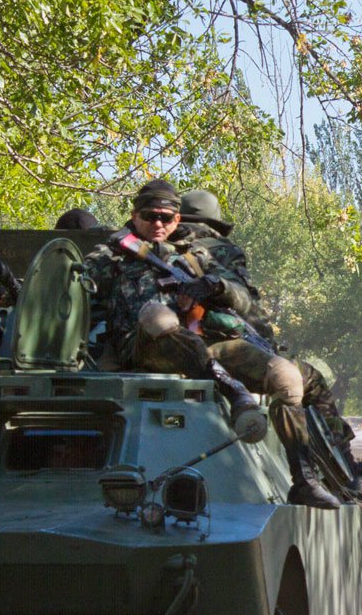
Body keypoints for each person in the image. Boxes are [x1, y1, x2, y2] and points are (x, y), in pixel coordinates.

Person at [83, 179, 342, 507]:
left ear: (178, 219)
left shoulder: (195, 255)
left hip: (204, 346)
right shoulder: (114, 254)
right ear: (135, 216)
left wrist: (216, 286)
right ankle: (233, 389)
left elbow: (245, 299)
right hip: (144, 348)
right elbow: (77, 285)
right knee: (158, 316)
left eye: (167, 217)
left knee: (287, 377)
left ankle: (304, 479)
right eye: (150, 216)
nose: (158, 224)